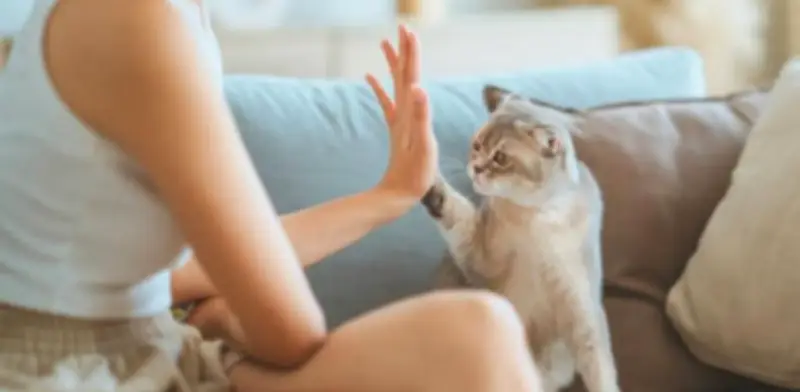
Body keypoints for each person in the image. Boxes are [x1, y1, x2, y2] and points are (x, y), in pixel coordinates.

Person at [0, 0, 543, 391]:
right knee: (478, 341)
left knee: (479, 335)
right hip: (68, 369)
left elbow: (174, 273)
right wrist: (234, 324)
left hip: (148, 345)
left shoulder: (175, 15)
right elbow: (289, 333)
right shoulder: (133, 18)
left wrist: (390, 195)